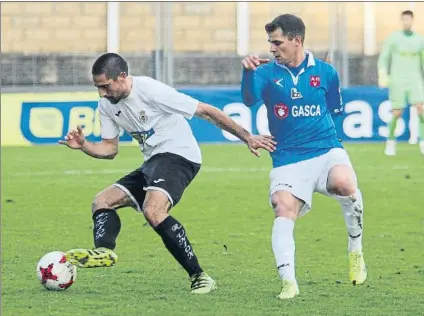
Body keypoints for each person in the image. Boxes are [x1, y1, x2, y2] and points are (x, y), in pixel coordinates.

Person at [59, 53, 276, 294]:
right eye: (98, 87)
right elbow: (110, 149)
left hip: (180, 155)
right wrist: (85, 146)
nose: (101, 93)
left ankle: (200, 276)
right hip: (153, 162)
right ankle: (104, 251)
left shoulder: (151, 91)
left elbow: (205, 110)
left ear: (121, 77)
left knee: (153, 210)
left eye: (105, 86)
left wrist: (247, 137)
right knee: (102, 201)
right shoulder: (107, 105)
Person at [241, 14, 366, 299]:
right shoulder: (264, 73)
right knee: (282, 206)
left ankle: (355, 250)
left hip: (325, 148)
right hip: (287, 157)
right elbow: (249, 99)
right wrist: (247, 72)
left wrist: (332, 145)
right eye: (270, 43)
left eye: (277, 43)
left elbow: (335, 109)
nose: (272, 49)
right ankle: (289, 282)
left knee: (345, 183)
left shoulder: (326, 72)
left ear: (297, 41)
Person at [378, 10, 424, 155]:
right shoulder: (393, 38)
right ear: (401, 21)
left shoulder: (419, 40)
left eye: (409, 19)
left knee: (421, 109)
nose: (406, 22)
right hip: (397, 80)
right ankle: (390, 142)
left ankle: (422, 142)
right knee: (397, 112)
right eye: (404, 20)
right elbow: (384, 58)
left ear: (412, 20)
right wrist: (383, 75)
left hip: (415, 79)